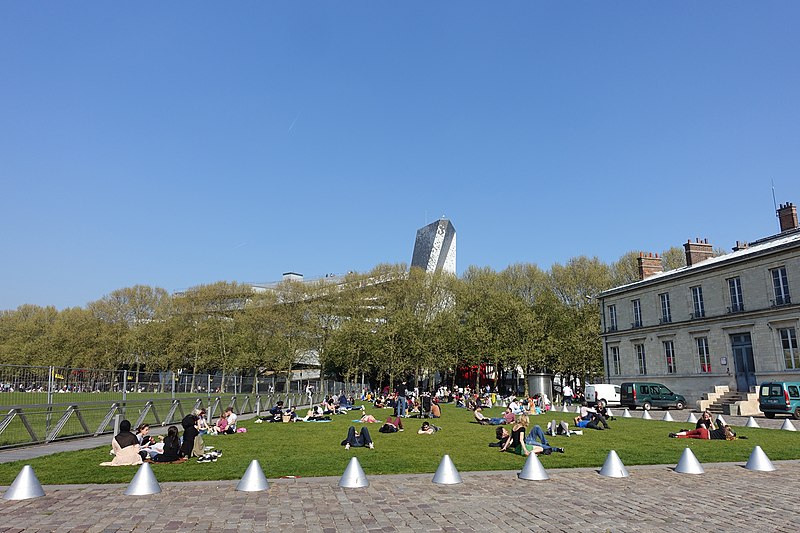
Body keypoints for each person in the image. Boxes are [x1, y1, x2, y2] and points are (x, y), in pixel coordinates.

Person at [670, 424, 737, 440]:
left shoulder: (722, 429)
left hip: (705, 431)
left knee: (689, 432)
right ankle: (676, 436)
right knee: (690, 436)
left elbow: (718, 420)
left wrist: (723, 425)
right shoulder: (724, 437)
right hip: (706, 437)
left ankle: (676, 433)